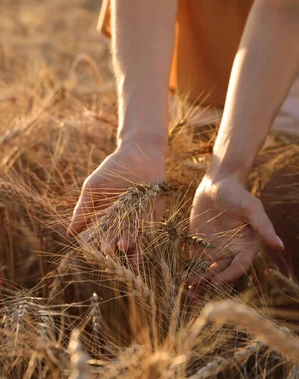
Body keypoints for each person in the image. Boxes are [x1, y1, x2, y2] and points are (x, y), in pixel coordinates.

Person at [68, 0, 299, 285]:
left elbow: (286, 8)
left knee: (281, 224)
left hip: (283, 54)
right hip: (199, 46)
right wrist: (140, 143)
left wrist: (229, 169)